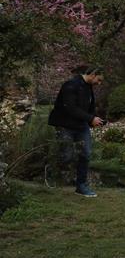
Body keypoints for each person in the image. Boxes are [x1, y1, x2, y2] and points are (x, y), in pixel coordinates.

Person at [48, 65, 104, 197]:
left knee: (86, 154)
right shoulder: (70, 85)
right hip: (65, 125)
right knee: (66, 156)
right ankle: (49, 173)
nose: (99, 83)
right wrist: (91, 118)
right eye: (99, 80)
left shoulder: (89, 87)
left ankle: (81, 186)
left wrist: (93, 120)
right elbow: (71, 108)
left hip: (81, 126)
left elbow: (88, 108)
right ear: (92, 75)